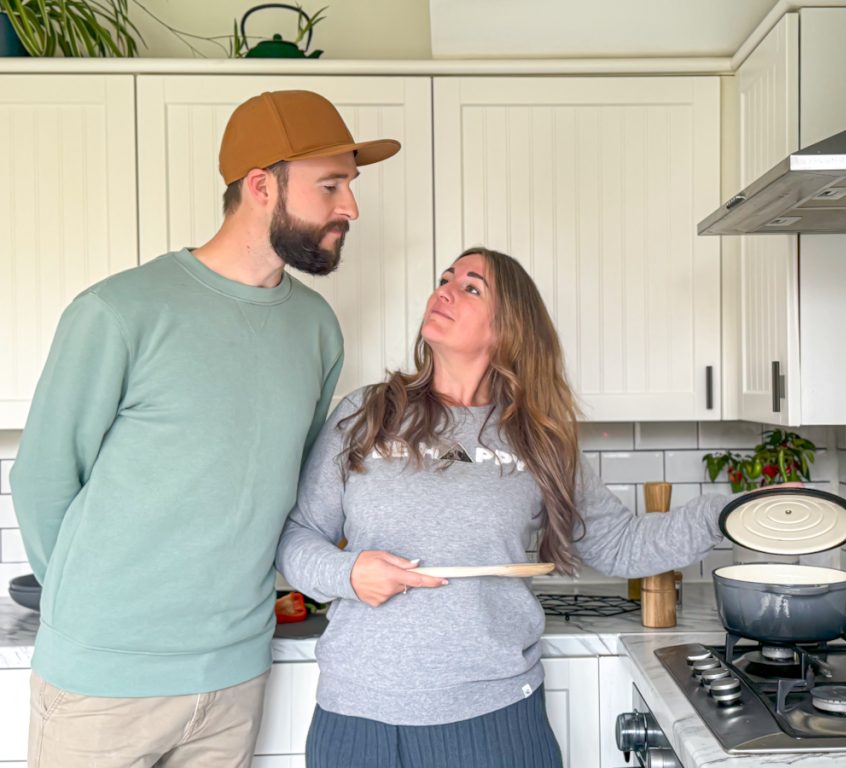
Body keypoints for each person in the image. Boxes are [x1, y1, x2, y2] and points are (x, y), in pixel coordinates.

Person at [10, 90, 400, 768]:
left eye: (350, 186)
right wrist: (96, 620)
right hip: (103, 684)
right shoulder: (118, 311)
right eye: (331, 185)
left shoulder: (314, 329)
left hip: (233, 678)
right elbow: (43, 479)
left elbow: (293, 484)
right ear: (260, 186)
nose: (351, 208)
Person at [277, 246, 771, 768]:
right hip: (359, 718)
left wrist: (725, 516)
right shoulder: (368, 412)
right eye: (446, 278)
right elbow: (298, 534)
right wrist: (348, 572)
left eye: (471, 288)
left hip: (497, 719)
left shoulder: (538, 438)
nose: (443, 290)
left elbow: (619, 544)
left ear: (508, 328)